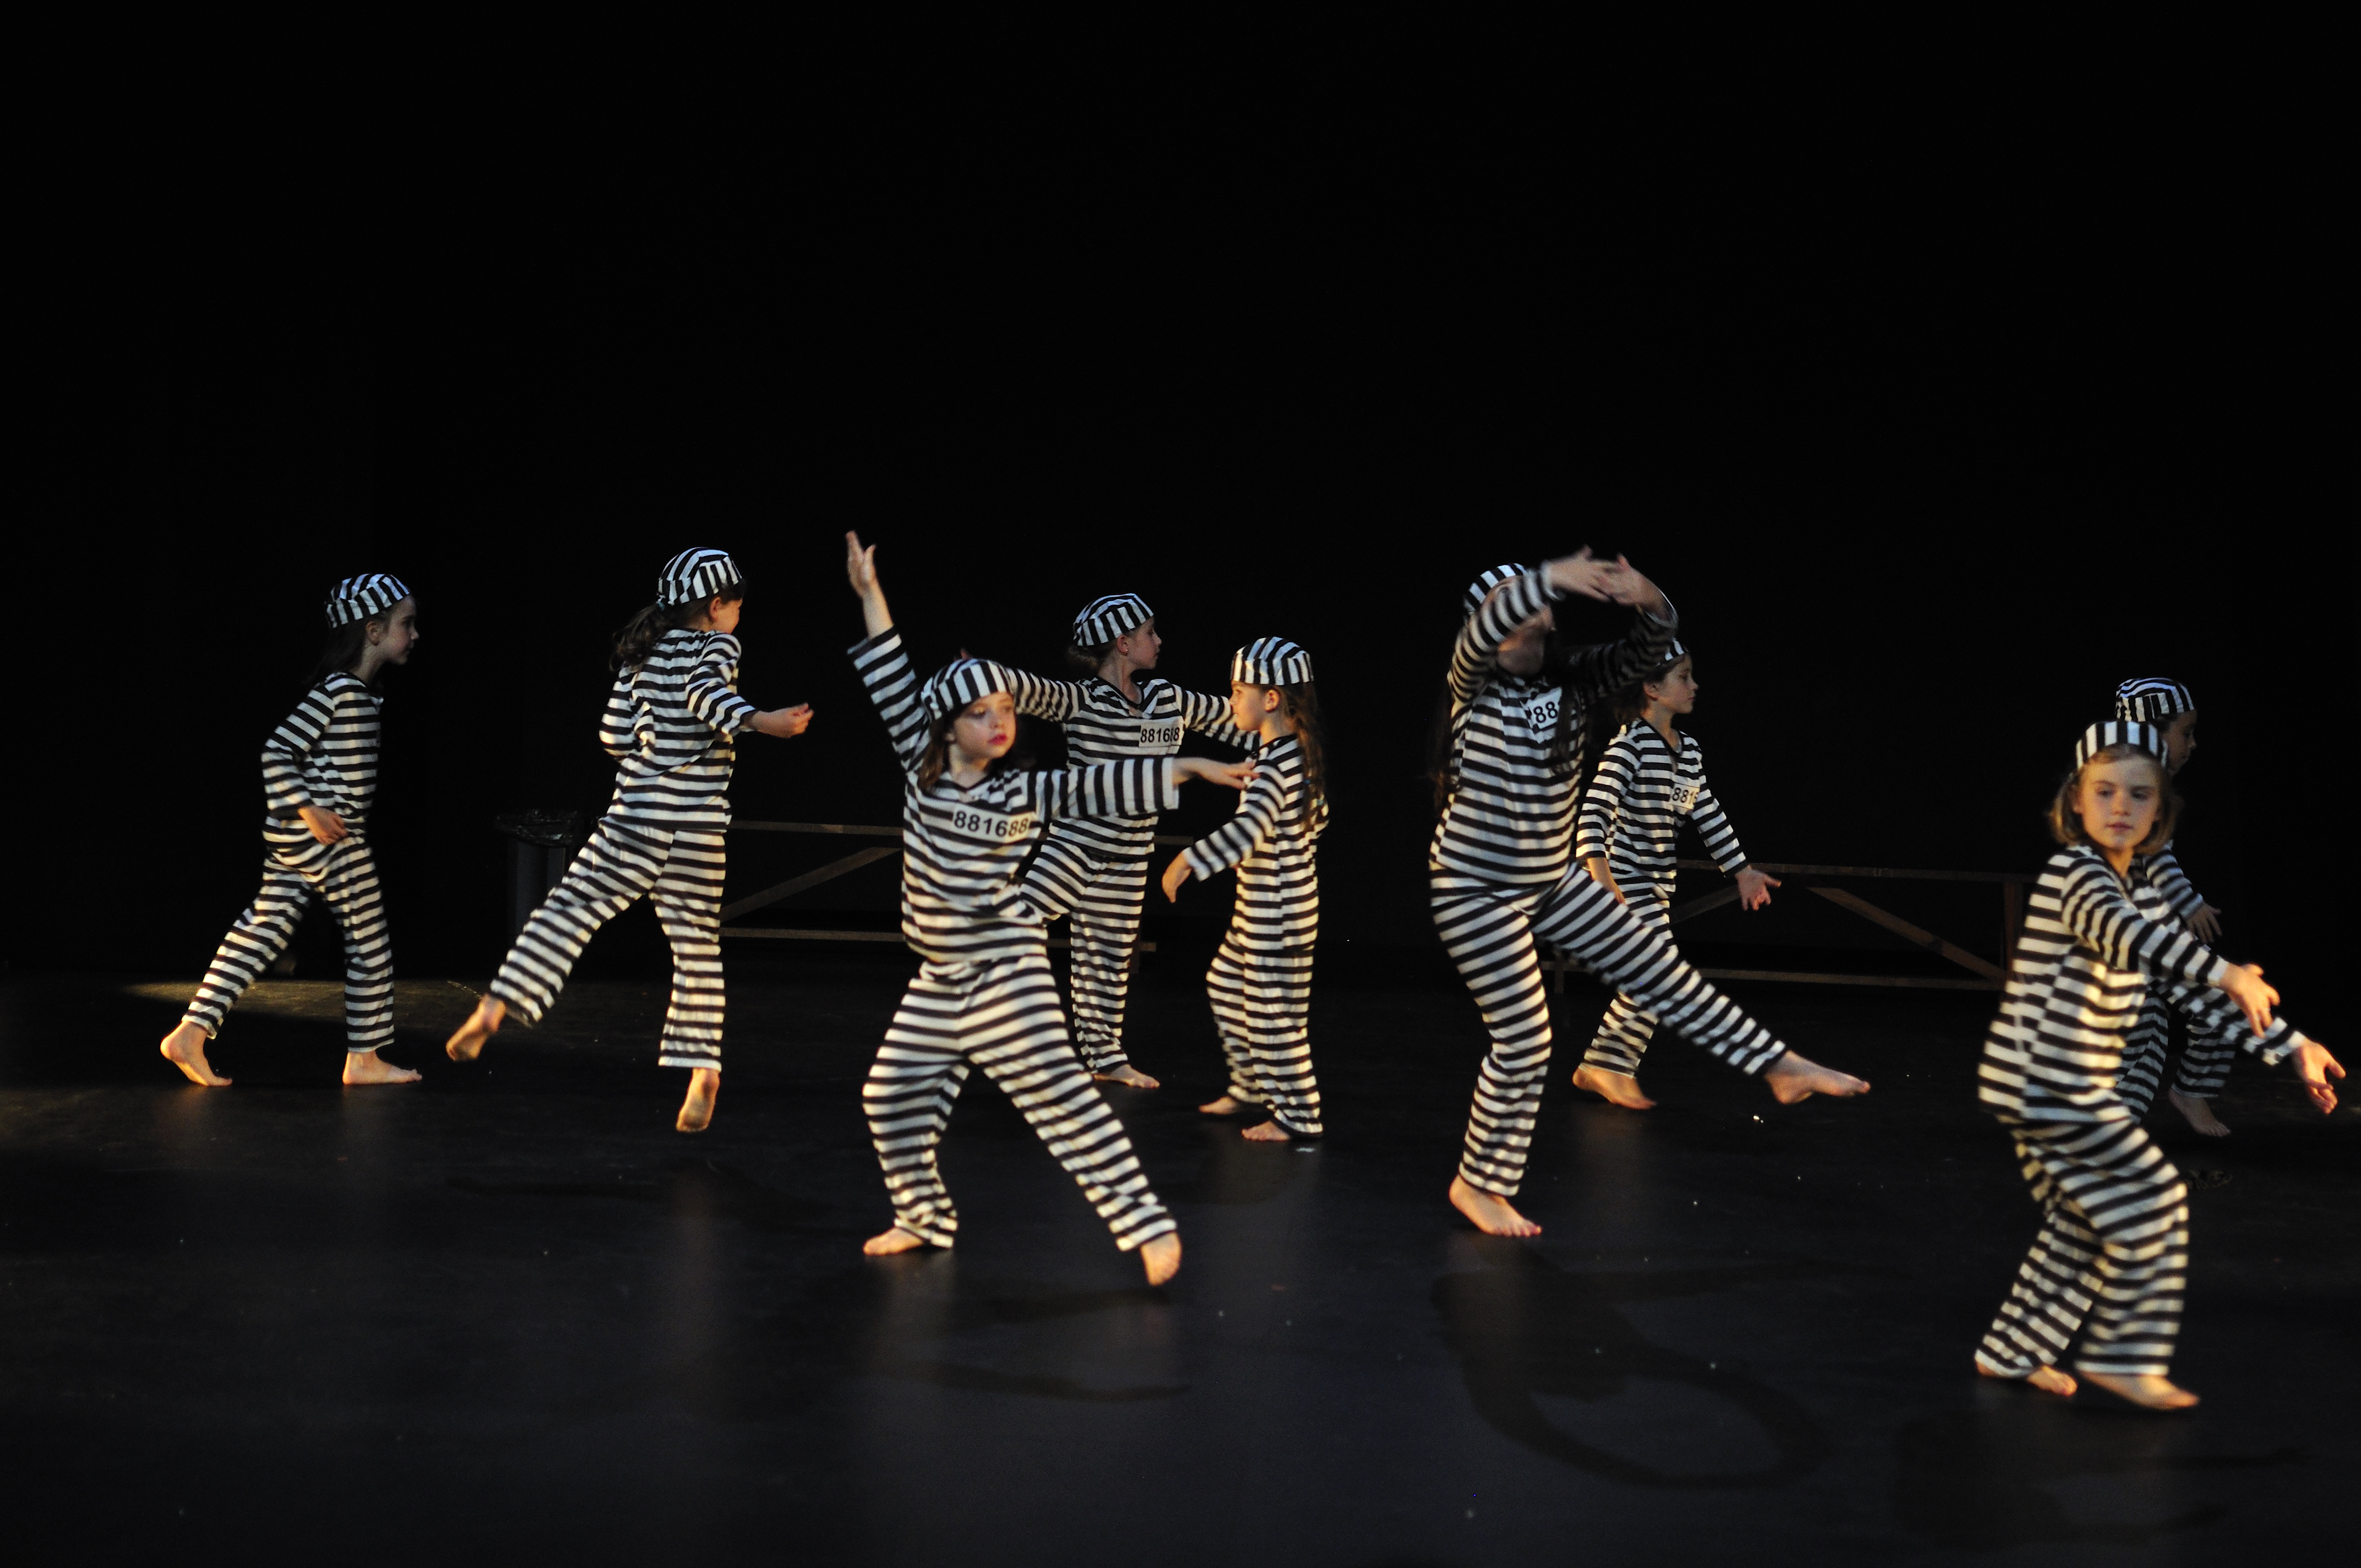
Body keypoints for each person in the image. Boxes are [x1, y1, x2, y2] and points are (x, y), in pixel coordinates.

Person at [844, 533, 1253, 1286]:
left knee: (1061, 1100)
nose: (999, 722)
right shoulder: (920, 768)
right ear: (945, 726)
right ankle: (923, 1216)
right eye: (980, 714)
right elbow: (890, 674)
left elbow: (1099, 785)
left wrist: (1192, 765)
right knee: (888, 1096)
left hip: (1008, 968)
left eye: (1005, 710)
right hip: (941, 976)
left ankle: (1147, 1225)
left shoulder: (1023, 789)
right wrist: (871, 595)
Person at [1430, 554, 1868, 1239]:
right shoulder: (1471, 681)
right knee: (1524, 1037)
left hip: (1547, 879)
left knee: (1657, 967)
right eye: (1510, 598)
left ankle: (1779, 1065)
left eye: (1532, 596)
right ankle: (1478, 1184)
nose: (1528, 605)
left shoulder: (1575, 678)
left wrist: (1650, 599)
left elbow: (1652, 646)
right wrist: (1551, 578)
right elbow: (1484, 633)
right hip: (1474, 888)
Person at [1973, 721, 2341, 1410]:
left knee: (2084, 1219)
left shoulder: (2139, 889)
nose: (2120, 806)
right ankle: (2121, 1359)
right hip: (2041, 1079)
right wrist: (2227, 971)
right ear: (2074, 801)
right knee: (2151, 1197)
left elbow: (2187, 985)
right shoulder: (2074, 875)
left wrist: (2293, 1045)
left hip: (2074, 1082)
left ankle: (2011, 1350)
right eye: (2104, 791)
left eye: (2139, 795)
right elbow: (2128, 936)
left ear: (2160, 812)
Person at [444, 549, 811, 1133]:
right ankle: (703, 1073)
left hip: (637, 817)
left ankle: (496, 1005)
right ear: (717, 606)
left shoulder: (642, 651)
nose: (739, 618)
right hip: (697, 825)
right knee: (696, 948)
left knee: (570, 908)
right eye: (738, 607)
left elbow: (612, 734)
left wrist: (649, 749)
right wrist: (760, 720)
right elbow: (705, 696)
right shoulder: (720, 646)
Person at [162, 575, 425, 1088]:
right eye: (407, 624)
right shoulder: (338, 691)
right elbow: (277, 750)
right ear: (373, 630)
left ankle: (191, 1032)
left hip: (309, 835)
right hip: (329, 837)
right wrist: (308, 810)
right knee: (369, 944)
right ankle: (364, 1058)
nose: (415, 635)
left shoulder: (357, 693)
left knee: (265, 927)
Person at [1005, 595, 1244, 1088]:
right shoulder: (1082, 700)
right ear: (1123, 643)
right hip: (1074, 846)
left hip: (1130, 856)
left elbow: (1237, 720)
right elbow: (1026, 691)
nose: (1159, 641)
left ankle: (1105, 1058)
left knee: (1107, 963)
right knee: (1013, 928)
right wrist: (983, 679)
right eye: (1150, 632)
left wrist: (1286, 739)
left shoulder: (1169, 699)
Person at [1570, 640, 1779, 1109]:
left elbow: (1708, 813)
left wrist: (1741, 870)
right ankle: (1606, 1066)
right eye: (1683, 677)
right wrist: (1602, 881)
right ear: (1652, 688)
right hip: (1624, 880)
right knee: (1659, 971)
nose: (1694, 685)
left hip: (1656, 885)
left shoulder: (1689, 752)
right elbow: (1593, 815)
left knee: (1653, 977)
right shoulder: (1629, 745)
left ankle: (1603, 1064)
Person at [1161, 638, 1328, 1141]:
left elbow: (1248, 829)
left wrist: (1187, 861)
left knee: (1273, 1012)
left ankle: (1298, 1113)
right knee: (1227, 983)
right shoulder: (1285, 750)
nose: (1231, 700)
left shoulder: (1277, 765)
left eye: (1238, 691)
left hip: (1277, 910)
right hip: (1264, 906)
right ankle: (1252, 1085)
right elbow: (1317, 819)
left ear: (1271, 699)